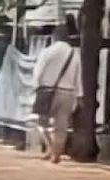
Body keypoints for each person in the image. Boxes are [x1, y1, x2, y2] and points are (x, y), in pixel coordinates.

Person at [32, 23, 81, 164]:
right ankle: (56, 153)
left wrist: (36, 87)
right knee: (61, 125)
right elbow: (79, 76)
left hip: (47, 91)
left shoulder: (48, 51)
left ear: (54, 36)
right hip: (68, 92)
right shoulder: (74, 53)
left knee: (42, 122)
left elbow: (38, 71)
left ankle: (51, 148)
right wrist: (78, 95)